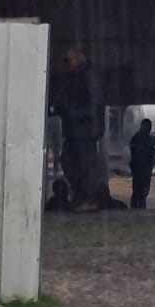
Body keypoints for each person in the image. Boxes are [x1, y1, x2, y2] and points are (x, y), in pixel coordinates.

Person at [49, 47, 104, 211]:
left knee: (85, 165)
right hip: (75, 130)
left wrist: (73, 113)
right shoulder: (76, 78)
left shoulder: (88, 77)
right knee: (70, 161)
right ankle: (81, 197)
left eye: (70, 60)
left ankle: (89, 198)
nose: (68, 64)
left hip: (85, 131)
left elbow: (95, 105)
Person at [128, 118, 155, 209]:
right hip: (139, 167)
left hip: (145, 168)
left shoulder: (147, 139)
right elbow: (136, 152)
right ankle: (137, 206)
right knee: (138, 189)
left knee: (144, 189)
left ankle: (139, 205)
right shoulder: (137, 139)